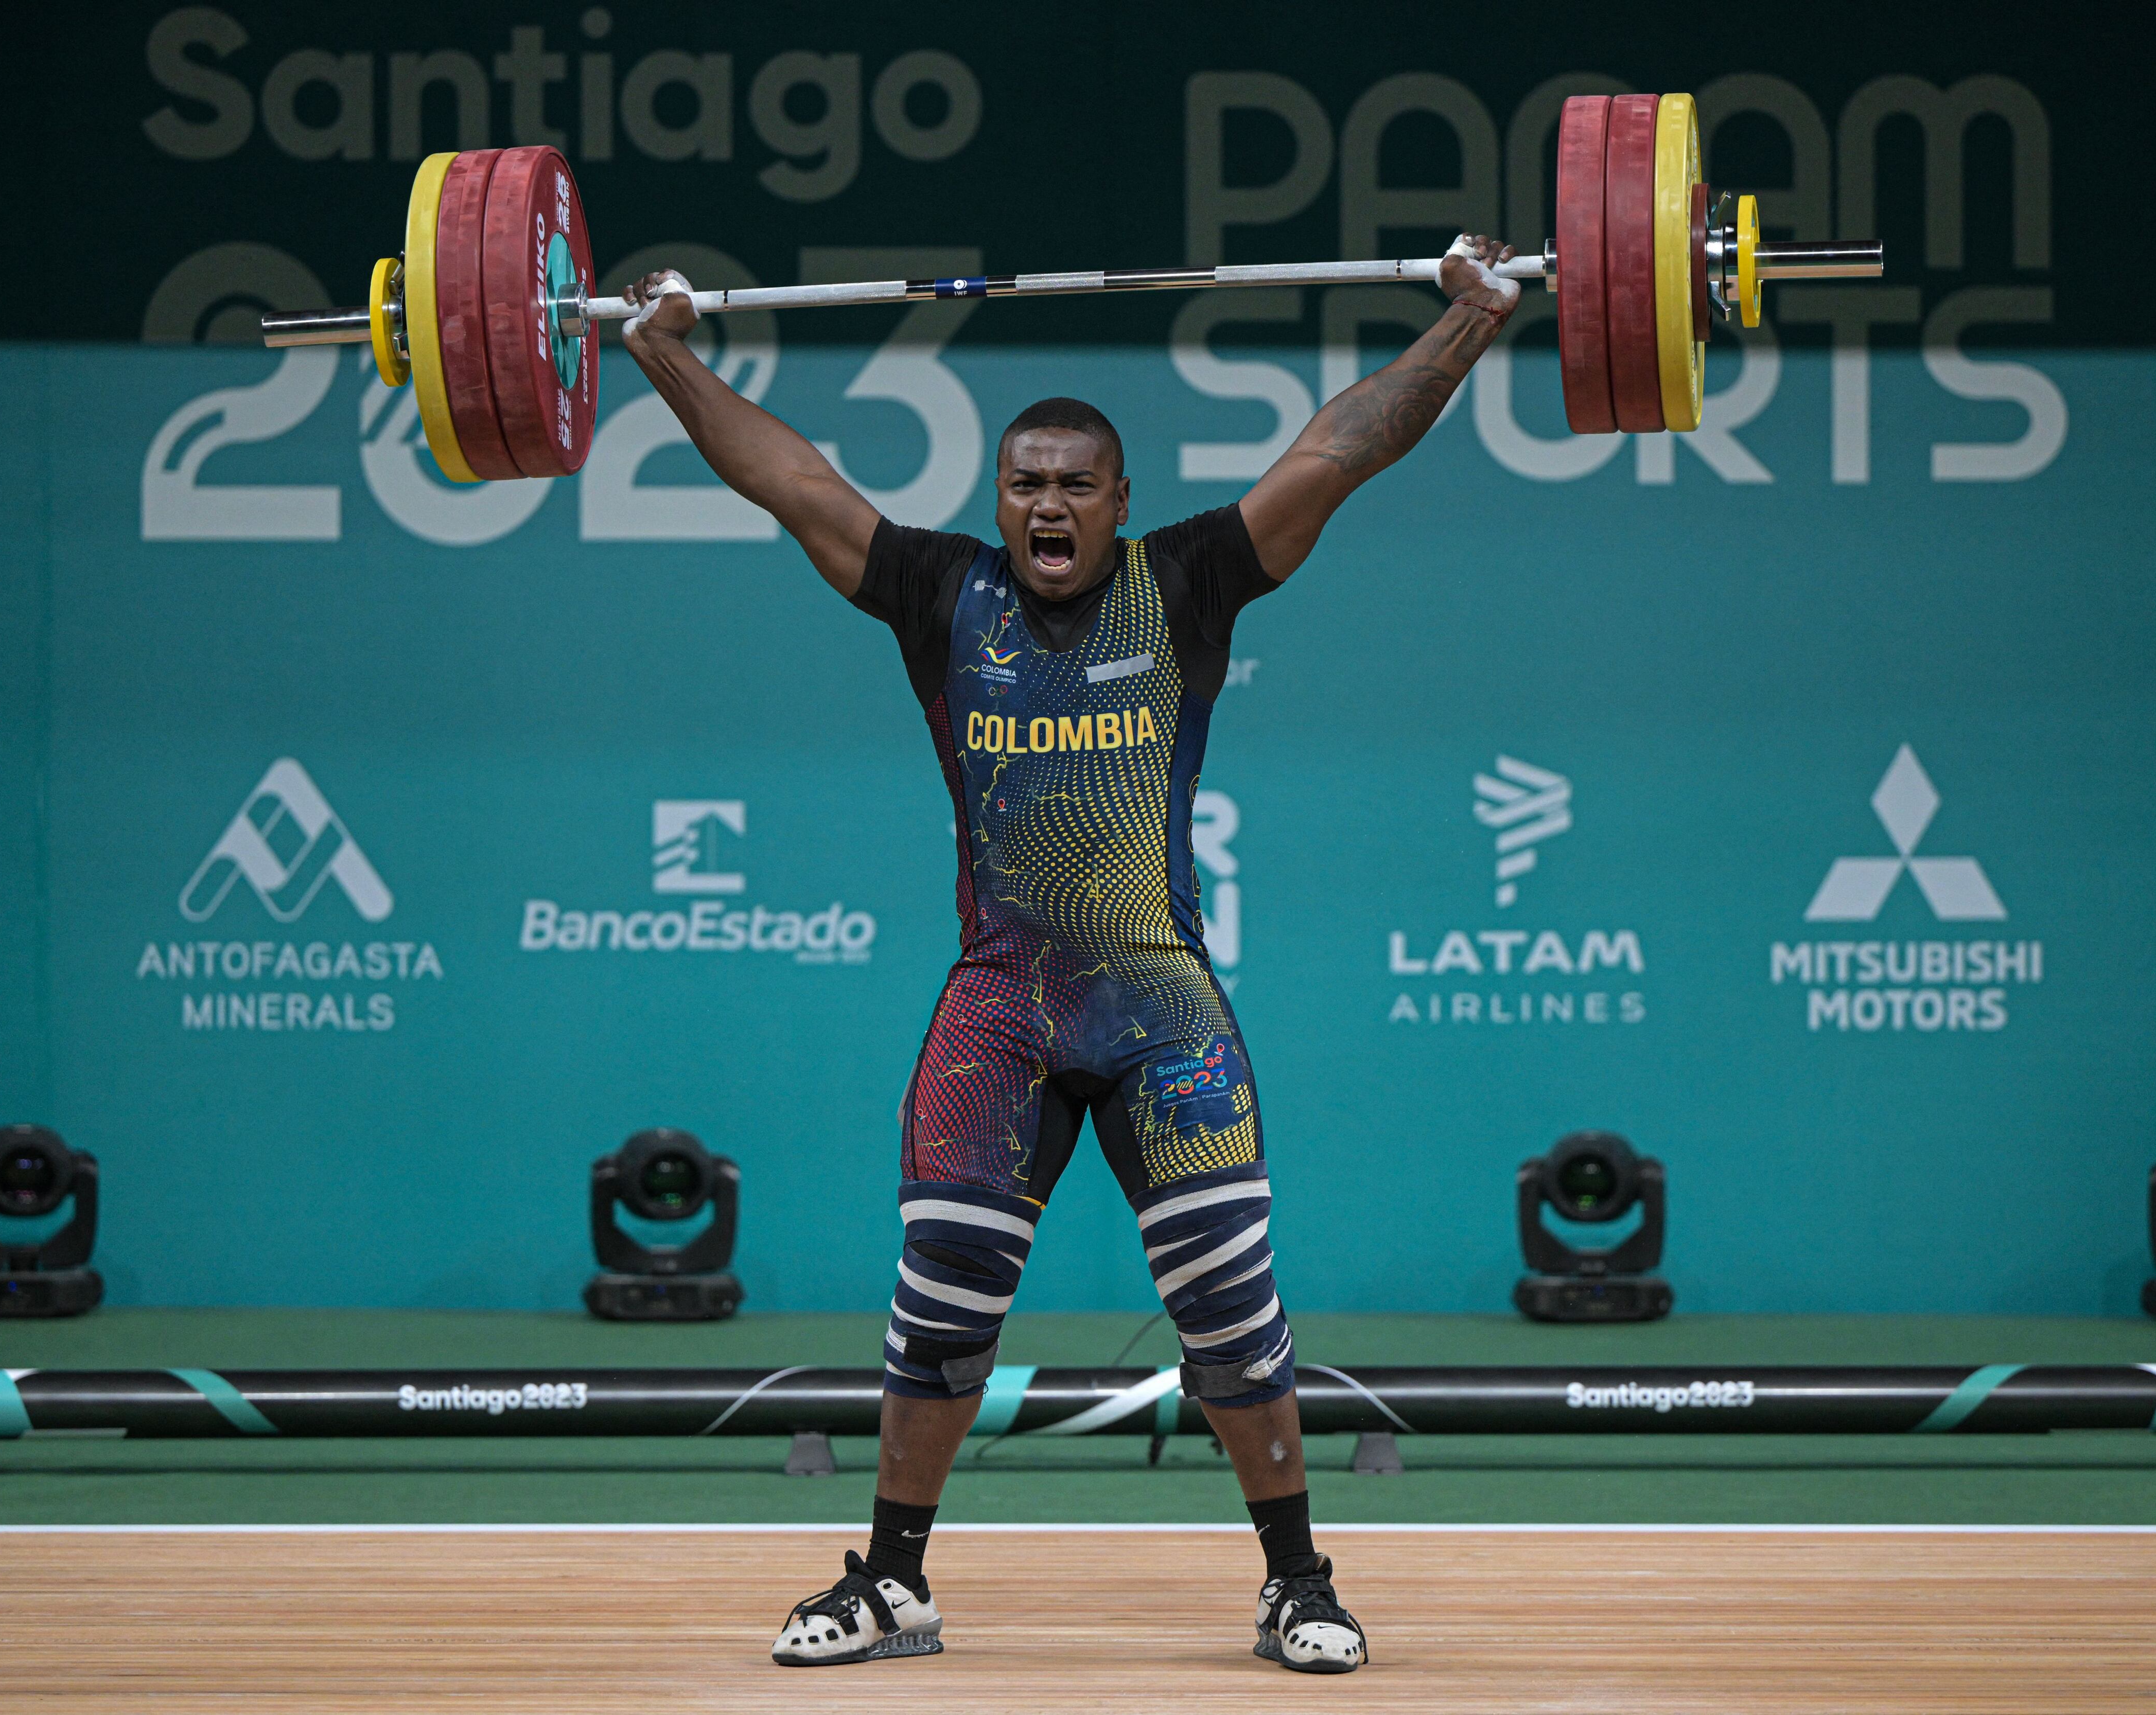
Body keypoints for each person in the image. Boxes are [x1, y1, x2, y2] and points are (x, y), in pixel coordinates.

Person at [618, 234, 1523, 1673]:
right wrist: (662, 354)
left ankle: (1299, 1581)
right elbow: (790, 480)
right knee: (939, 1315)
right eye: (1025, 484)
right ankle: (893, 1583)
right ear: (1002, 502)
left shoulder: (1192, 584)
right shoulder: (938, 593)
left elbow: (1340, 448)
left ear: (1119, 503)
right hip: (1000, 1014)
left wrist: (1470, 321)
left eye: (1073, 485)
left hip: (1159, 1003)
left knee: (1234, 1316)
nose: (1048, 505)